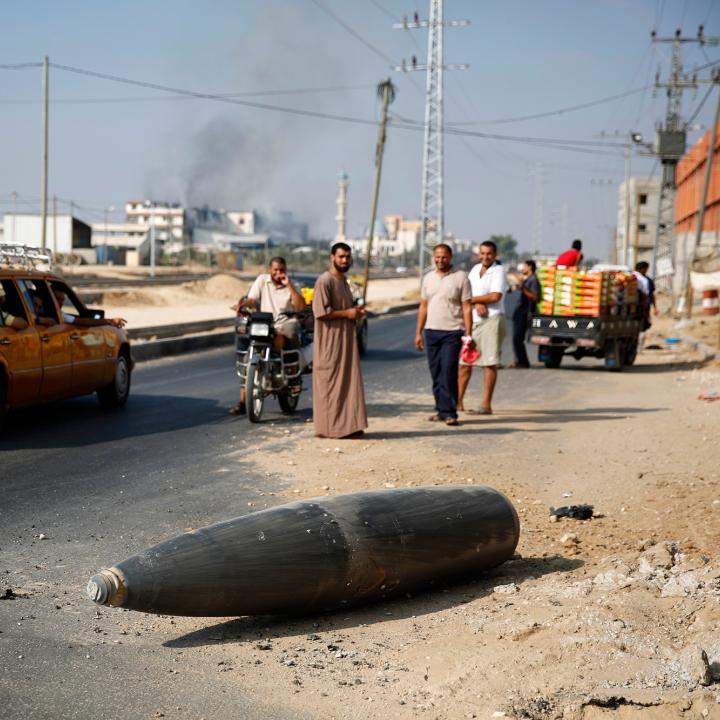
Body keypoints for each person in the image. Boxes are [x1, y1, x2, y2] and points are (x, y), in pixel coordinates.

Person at [229, 256, 306, 415]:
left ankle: (293, 379)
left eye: (281, 270)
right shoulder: (262, 280)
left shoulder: (292, 284)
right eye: (275, 270)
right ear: (270, 270)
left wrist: (289, 285)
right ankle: (243, 402)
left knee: (291, 330)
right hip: (265, 324)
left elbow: (300, 306)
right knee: (246, 348)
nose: (278, 273)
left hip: (284, 322)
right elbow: (252, 299)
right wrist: (243, 305)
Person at [311, 242, 367, 439]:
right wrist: (348, 313)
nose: (345, 260)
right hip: (330, 342)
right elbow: (321, 312)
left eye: (348, 257)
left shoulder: (343, 280)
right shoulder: (324, 281)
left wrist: (356, 313)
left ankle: (349, 425)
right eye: (341, 256)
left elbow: (346, 309)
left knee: (348, 382)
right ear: (332, 257)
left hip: (346, 340)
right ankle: (329, 429)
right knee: (330, 384)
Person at [414, 244, 472, 426]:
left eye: (444, 257)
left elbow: (467, 306)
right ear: (433, 257)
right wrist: (418, 332)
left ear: (451, 257)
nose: (440, 261)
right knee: (436, 373)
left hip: (453, 332)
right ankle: (441, 410)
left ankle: (450, 412)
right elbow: (423, 306)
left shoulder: (460, 277)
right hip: (431, 332)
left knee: (448, 371)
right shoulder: (428, 278)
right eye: (437, 257)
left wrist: (468, 333)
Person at [458, 240, 507, 415]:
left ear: (495, 255)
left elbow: (495, 296)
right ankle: (458, 402)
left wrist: (473, 301)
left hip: (492, 320)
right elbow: (467, 292)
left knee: (489, 363)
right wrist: (476, 303)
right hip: (474, 321)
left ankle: (486, 404)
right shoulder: (474, 270)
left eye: (489, 254)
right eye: (482, 253)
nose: (485, 257)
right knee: (465, 362)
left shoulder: (498, 271)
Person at [509, 260, 540, 369]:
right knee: (516, 339)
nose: (523, 268)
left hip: (525, 312)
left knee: (517, 338)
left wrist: (523, 288)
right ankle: (520, 360)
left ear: (530, 267)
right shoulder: (527, 280)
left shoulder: (533, 280)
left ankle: (522, 361)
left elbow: (535, 297)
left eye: (525, 266)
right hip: (519, 312)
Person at [51, 287, 126, 328]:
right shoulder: (55, 314)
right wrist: (110, 321)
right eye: (57, 299)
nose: (60, 302)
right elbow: (81, 321)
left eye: (62, 300)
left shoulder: (58, 314)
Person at [634, 261, 656, 330]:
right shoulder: (639, 279)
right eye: (646, 269)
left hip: (644, 305)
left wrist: (655, 307)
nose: (646, 271)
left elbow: (651, 294)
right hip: (640, 305)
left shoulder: (648, 280)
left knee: (643, 323)